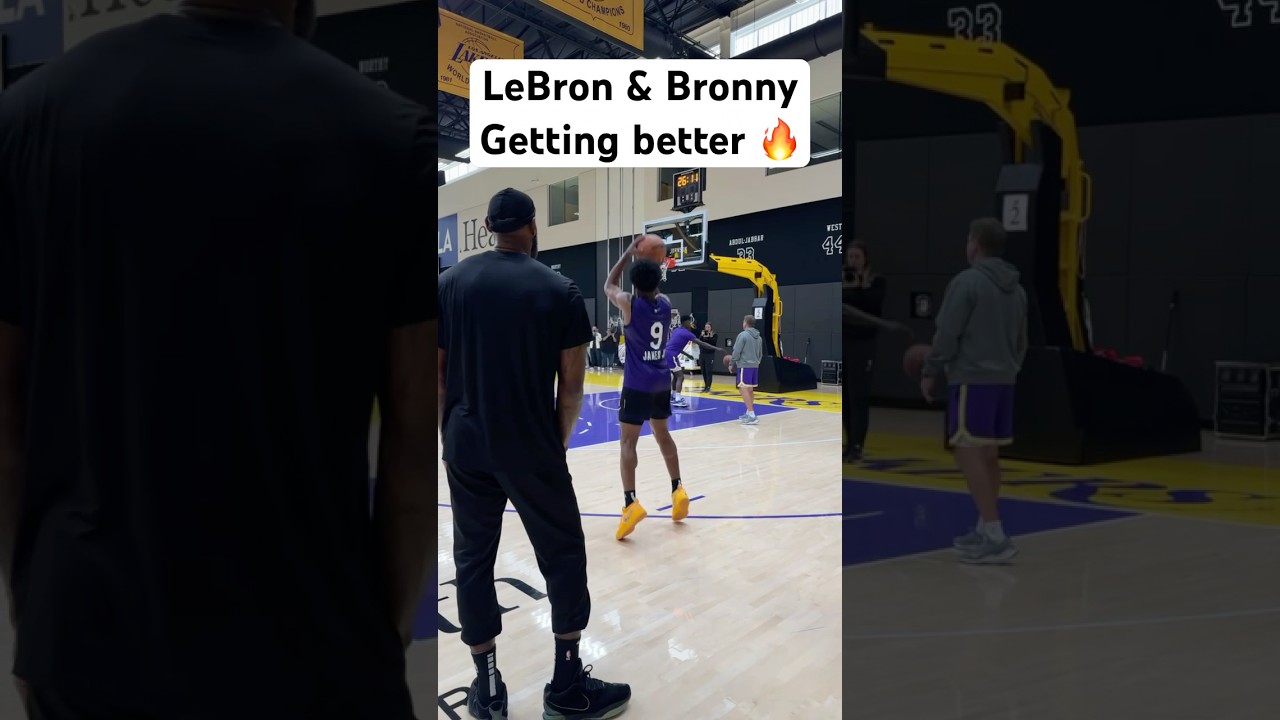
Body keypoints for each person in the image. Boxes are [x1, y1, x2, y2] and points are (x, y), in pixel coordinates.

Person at [0, 2, 434, 717]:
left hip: (87, 637)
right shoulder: (391, 136)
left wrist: (35, 619)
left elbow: (5, 407)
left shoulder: (27, 117)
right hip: (312, 639)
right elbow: (415, 431)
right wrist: (381, 635)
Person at [439, 188, 631, 720]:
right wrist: (556, 442)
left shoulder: (448, 284)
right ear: (532, 227)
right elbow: (571, 387)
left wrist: (449, 437)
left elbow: (437, 373)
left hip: (467, 446)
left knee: (472, 561)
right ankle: (567, 687)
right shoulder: (560, 289)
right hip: (532, 448)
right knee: (563, 555)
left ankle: (488, 688)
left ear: (489, 228)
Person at [920, 217, 1028, 565]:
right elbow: (1022, 340)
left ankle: (995, 534)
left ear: (975, 244)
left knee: (966, 451)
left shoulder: (967, 282)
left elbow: (948, 332)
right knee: (989, 455)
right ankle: (985, 527)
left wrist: (930, 369)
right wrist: (1009, 368)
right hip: (1004, 380)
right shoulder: (1018, 289)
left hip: (971, 380)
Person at [604, 239, 691, 541]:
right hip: (661, 382)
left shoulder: (629, 303)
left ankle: (630, 503)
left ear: (635, 283)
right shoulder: (665, 304)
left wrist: (628, 254)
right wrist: (653, 263)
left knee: (628, 444)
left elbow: (608, 285)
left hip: (637, 384)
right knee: (663, 434)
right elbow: (652, 281)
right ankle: (678, 488)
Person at [842, 240, 909, 462]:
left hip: (864, 344)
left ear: (865, 259)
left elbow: (871, 304)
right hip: (846, 341)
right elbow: (844, 307)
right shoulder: (844, 282)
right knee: (845, 398)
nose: (852, 261)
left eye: (857, 257)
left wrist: (859, 287)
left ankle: (858, 444)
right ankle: (849, 441)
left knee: (859, 395)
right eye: (850, 257)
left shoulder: (877, 281)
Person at [668, 315, 720, 408]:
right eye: (690, 322)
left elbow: (675, 345)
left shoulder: (676, 330)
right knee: (681, 377)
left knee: (676, 376)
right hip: (671, 356)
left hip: (669, 354)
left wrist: (687, 355)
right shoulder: (687, 333)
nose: (691, 324)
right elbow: (703, 343)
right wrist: (717, 349)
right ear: (686, 322)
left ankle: (673, 395)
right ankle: (678, 400)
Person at [726, 315, 765, 425]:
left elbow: (737, 351)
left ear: (745, 323)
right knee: (750, 389)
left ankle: (752, 414)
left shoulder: (743, 335)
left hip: (745, 365)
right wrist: (757, 362)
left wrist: (732, 362)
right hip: (755, 366)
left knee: (743, 388)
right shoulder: (759, 337)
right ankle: (749, 412)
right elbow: (760, 353)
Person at [698, 322, 719, 392]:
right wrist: (701, 335)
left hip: (709, 355)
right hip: (702, 354)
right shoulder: (703, 334)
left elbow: (713, 343)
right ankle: (705, 385)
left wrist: (709, 336)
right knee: (703, 370)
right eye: (706, 327)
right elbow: (699, 341)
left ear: (711, 328)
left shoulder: (714, 335)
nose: (707, 329)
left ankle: (708, 386)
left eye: (708, 327)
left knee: (708, 371)